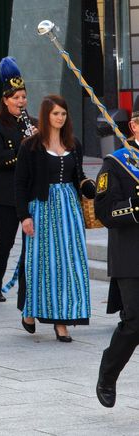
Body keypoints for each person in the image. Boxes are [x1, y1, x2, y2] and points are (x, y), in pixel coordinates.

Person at [10, 94, 95, 341]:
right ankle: (30, 310)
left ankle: (62, 321)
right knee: (41, 264)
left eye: (63, 114)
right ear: (46, 116)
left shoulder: (74, 144)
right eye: (55, 113)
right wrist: (24, 216)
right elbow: (20, 184)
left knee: (69, 264)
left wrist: (96, 189)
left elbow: (79, 177)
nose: (60, 118)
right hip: (42, 209)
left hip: (69, 209)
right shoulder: (31, 146)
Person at [94, 103, 139, 408]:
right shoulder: (118, 162)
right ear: (135, 126)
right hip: (131, 254)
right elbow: (104, 211)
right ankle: (108, 373)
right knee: (136, 321)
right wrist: (137, 204)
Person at [0, 57, 36, 303]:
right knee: (4, 242)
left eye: (24, 97)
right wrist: (24, 148)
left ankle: (25, 290)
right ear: (5, 100)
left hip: (28, 192)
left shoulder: (32, 123)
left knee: (30, 245)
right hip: (3, 194)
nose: (21, 102)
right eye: (16, 98)